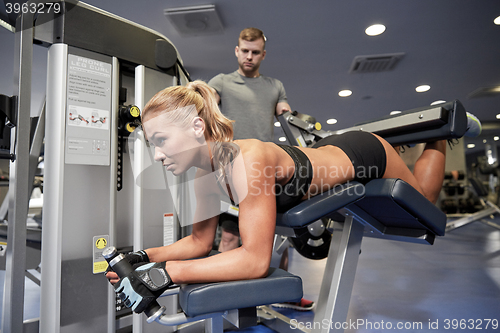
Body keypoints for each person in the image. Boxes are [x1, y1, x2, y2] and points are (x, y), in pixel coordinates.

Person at [106, 80, 450, 315]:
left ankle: (441, 132)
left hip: (364, 154)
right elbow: (198, 242)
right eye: (153, 145)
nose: (157, 156)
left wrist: (165, 274)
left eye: (162, 140)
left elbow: (256, 261)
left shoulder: (244, 160)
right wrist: (144, 257)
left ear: (197, 127)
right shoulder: (203, 177)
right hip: (327, 153)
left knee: (424, 200)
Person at [207, 28, 312, 310]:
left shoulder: (274, 85)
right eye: (245, 50)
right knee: (230, 234)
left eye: (255, 52)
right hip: (233, 168)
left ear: (263, 54)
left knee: (282, 234)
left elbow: (286, 113)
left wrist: (294, 119)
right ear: (237, 50)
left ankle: (285, 293)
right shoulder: (222, 82)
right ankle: (219, 299)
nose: (249, 56)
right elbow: (207, 99)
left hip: (267, 169)